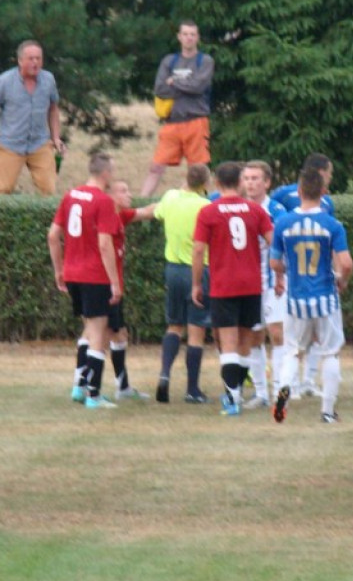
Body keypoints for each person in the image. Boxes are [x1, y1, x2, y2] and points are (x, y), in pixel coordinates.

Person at [270, 167, 353, 424]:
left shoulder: (283, 223)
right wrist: (342, 280)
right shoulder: (332, 224)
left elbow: (274, 262)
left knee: (292, 351)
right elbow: (347, 263)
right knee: (330, 353)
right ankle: (327, 412)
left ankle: (284, 386)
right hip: (325, 297)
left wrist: (285, 273)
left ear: (298, 191)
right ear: (324, 192)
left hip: (296, 299)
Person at [191, 162, 274, 417]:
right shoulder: (255, 210)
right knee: (246, 345)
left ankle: (232, 399)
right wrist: (279, 272)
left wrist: (196, 283)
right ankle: (237, 394)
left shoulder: (208, 212)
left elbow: (197, 249)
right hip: (252, 284)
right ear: (240, 182)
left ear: (216, 183)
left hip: (223, 285)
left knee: (227, 345)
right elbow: (274, 242)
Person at [47, 152, 121, 409]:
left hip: (72, 273)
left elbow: (53, 235)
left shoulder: (70, 195)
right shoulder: (104, 201)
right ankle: (94, 395)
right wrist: (114, 281)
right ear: (105, 174)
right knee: (99, 334)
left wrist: (59, 270)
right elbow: (104, 244)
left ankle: (79, 386)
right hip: (94, 275)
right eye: (112, 171)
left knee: (89, 330)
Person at [270, 152, 335, 396]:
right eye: (328, 173)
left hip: (312, 273)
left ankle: (307, 381)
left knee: (315, 335)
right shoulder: (283, 195)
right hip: (294, 276)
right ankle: (293, 384)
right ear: (320, 172)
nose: (329, 178)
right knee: (297, 335)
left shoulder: (327, 203)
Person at [0, 40, 65, 195]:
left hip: (39, 143)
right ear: (20, 61)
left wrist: (56, 138)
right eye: (31, 58)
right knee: (3, 189)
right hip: (11, 144)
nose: (35, 62)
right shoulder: (5, 81)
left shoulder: (48, 80)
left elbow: (54, 109)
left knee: (49, 190)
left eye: (38, 58)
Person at [153, 164, 212, 403]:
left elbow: (157, 212)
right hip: (198, 270)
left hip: (173, 269)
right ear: (205, 183)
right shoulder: (205, 207)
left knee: (174, 326)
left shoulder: (170, 197)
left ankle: (165, 373)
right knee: (196, 332)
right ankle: (192, 389)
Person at [141, 21, 215, 198]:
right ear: (179, 37)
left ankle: (200, 202)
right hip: (172, 123)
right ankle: (141, 201)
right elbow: (160, 89)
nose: (189, 38)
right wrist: (186, 85)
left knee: (197, 169)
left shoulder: (204, 61)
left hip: (196, 121)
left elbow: (199, 86)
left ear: (197, 37)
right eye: (185, 34)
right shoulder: (169, 61)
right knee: (156, 166)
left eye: (192, 34)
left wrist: (175, 82)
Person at [240, 160, 288, 408]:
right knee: (253, 337)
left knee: (278, 334)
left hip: (273, 282)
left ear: (267, 182)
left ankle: (281, 390)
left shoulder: (277, 211)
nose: (250, 183)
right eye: (247, 178)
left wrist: (280, 275)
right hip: (248, 284)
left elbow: (282, 248)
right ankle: (261, 393)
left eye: (255, 178)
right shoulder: (237, 209)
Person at [107, 180, 157, 401]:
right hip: (106, 286)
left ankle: (122, 386)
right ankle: (87, 386)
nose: (129, 195)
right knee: (103, 334)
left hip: (112, 285)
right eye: (123, 191)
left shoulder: (121, 215)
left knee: (116, 334)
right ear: (110, 195)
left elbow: (147, 212)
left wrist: (175, 199)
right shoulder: (105, 218)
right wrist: (112, 283)